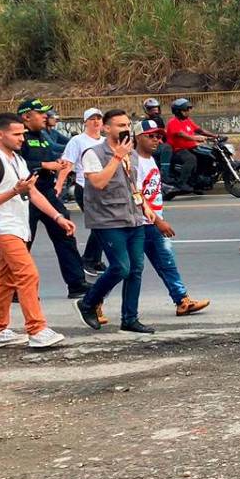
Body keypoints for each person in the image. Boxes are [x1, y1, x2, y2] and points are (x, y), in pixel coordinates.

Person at [0, 112, 71, 350]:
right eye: (16, 134)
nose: (21, 139)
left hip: (18, 227)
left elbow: (34, 193)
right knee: (28, 274)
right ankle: (37, 329)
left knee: (7, 280)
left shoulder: (18, 161)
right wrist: (14, 192)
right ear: (0, 134)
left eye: (22, 134)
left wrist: (58, 216)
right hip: (1, 227)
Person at [75, 109, 153, 334]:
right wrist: (117, 156)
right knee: (121, 267)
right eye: (119, 125)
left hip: (133, 218)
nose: (126, 129)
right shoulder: (94, 153)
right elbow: (98, 183)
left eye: (127, 125)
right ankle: (88, 303)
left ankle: (130, 318)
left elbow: (131, 183)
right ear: (106, 128)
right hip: (107, 220)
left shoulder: (132, 154)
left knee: (136, 270)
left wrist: (145, 206)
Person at [131, 117, 210, 317]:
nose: (157, 140)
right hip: (141, 223)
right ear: (138, 137)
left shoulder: (151, 160)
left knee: (165, 262)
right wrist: (158, 222)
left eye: (159, 136)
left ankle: (182, 300)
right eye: (151, 136)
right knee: (125, 268)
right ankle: (94, 301)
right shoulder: (134, 162)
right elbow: (136, 196)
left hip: (152, 220)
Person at [17, 99, 90, 299]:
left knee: (66, 234)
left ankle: (77, 284)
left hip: (47, 193)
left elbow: (52, 152)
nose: (44, 116)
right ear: (26, 116)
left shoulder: (42, 136)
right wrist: (44, 164)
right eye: (39, 113)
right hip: (25, 195)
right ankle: (18, 289)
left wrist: (58, 162)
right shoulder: (18, 136)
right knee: (23, 243)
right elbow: (15, 163)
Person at [62, 108, 108, 274]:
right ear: (85, 122)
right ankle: (88, 260)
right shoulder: (78, 141)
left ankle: (95, 260)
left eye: (99, 119)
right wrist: (59, 185)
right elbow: (67, 163)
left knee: (104, 224)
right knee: (100, 224)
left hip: (103, 188)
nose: (96, 122)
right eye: (92, 119)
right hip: (85, 187)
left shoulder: (105, 141)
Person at [166, 98, 212, 193]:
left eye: (188, 109)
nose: (188, 111)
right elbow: (182, 134)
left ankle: (197, 183)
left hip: (191, 147)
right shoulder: (173, 122)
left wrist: (215, 136)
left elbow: (200, 130)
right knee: (191, 159)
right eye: (185, 110)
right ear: (178, 111)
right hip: (178, 150)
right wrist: (196, 138)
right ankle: (181, 183)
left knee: (206, 156)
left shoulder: (188, 121)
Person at [143, 98, 171, 169]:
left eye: (156, 109)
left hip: (161, 143)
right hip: (152, 146)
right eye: (152, 109)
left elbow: (163, 132)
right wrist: (158, 139)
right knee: (167, 148)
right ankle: (164, 173)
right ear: (147, 110)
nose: (155, 111)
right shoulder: (145, 122)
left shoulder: (159, 120)